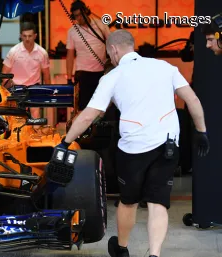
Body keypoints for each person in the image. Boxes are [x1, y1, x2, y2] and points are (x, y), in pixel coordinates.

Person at [56, 30, 210, 257]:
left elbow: (89, 115)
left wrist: (64, 142)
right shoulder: (165, 68)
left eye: (109, 54)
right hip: (167, 145)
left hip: (133, 149)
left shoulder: (112, 77)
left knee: (128, 201)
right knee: (158, 203)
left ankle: (122, 248)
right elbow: (193, 100)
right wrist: (201, 131)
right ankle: (154, 254)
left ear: (114, 50)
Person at [66, 0, 110, 111]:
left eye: (81, 14)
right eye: (76, 16)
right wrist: (69, 77)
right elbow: (70, 55)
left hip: (101, 72)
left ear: (86, 11)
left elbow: (111, 43)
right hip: (83, 73)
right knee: (83, 107)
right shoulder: (72, 31)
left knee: (101, 107)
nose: (79, 18)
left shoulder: (100, 25)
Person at [1, 22, 51, 119]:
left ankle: (35, 133)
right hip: (16, 88)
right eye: (24, 36)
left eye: (30, 36)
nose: (27, 39)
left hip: (34, 88)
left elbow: (46, 75)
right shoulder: (13, 51)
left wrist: (48, 93)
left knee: (36, 116)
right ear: (21, 36)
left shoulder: (42, 53)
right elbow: (4, 73)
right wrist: (4, 92)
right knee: (16, 118)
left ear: (35, 36)